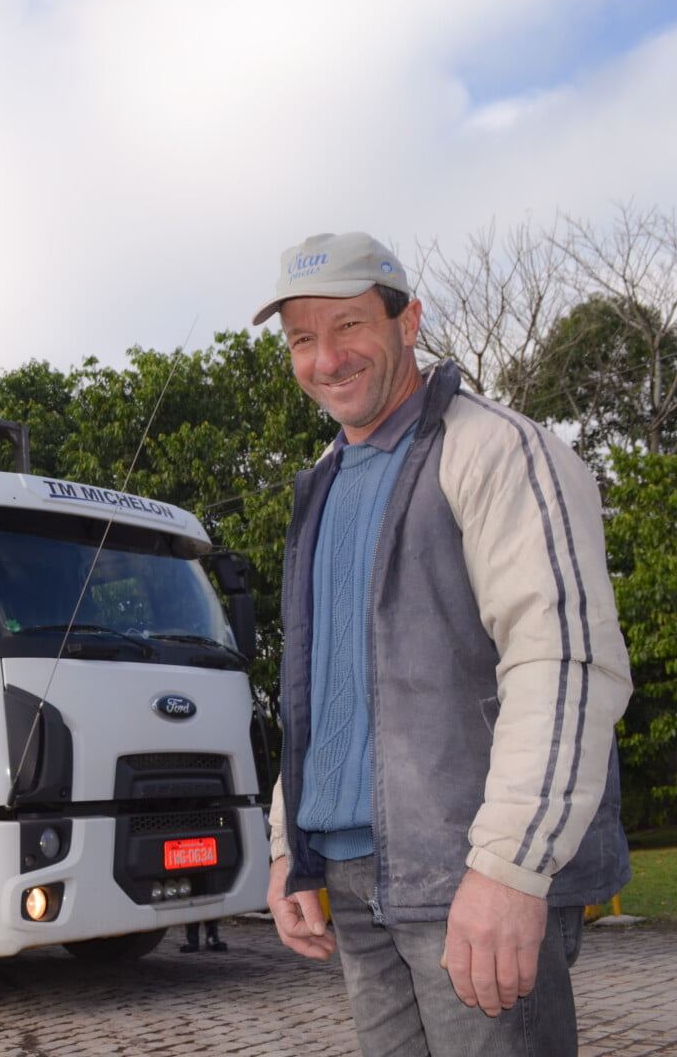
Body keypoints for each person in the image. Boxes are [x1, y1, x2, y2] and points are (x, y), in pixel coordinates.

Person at [254, 232, 633, 1056]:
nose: (326, 358)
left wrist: (509, 870)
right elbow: (318, 691)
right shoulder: (320, 482)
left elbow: (563, 661)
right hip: (352, 878)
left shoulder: (500, 450)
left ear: (409, 320)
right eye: (302, 340)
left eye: (348, 326)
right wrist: (292, 848)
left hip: (469, 874)